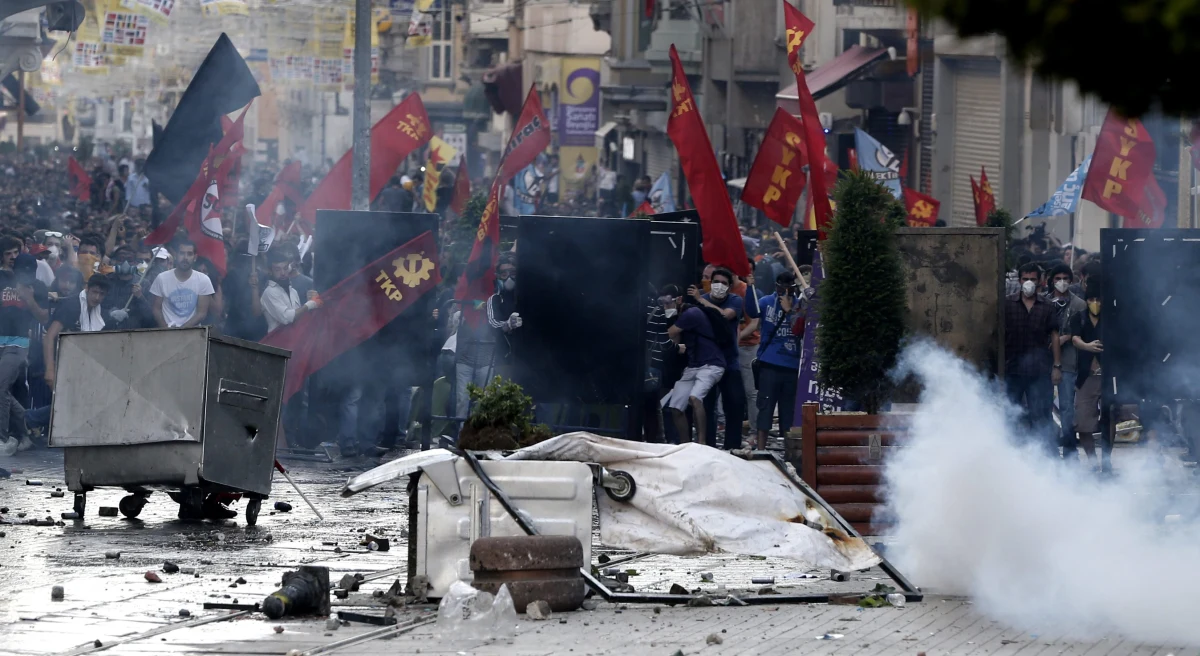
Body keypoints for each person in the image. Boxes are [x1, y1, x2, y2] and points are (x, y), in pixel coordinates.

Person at [1005, 262, 1063, 455]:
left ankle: (1047, 458)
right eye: (1025, 279)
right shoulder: (1008, 304)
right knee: (1010, 414)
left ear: (1040, 281)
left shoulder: (1047, 306)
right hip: (1012, 369)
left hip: (1039, 370)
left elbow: (1054, 336)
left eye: (1032, 279)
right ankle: (1009, 456)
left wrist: (1057, 366)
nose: (1028, 282)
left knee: (1041, 416)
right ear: (1019, 280)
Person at [454, 256, 521, 422]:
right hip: (497, 357)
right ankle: (465, 432)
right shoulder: (493, 300)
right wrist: (508, 325)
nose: (509, 277)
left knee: (524, 403)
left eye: (513, 273)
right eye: (504, 273)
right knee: (472, 400)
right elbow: (494, 324)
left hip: (525, 358)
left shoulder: (525, 298)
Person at [0, 243, 49, 453]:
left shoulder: (38, 287)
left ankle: (2, 438)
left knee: (1, 386)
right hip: (0, 341)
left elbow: (44, 318)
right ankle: (27, 424)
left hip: (19, 344)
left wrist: (29, 298)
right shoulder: (4, 280)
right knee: (5, 390)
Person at [663, 293, 726, 445]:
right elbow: (676, 341)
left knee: (695, 398)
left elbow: (668, 334)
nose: (665, 307)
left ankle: (701, 443)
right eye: (662, 304)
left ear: (679, 300)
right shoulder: (681, 316)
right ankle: (685, 444)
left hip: (711, 365)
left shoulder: (692, 313)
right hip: (693, 366)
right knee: (675, 407)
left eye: (667, 303)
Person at [695, 267, 746, 450]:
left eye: (724, 283)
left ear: (730, 287)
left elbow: (725, 315)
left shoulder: (735, 300)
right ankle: (707, 446)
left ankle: (732, 447)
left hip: (729, 362)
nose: (719, 286)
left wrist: (702, 301)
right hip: (707, 362)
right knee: (707, 406)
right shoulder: (700, 300)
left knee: (735, 404)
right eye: (716, 282)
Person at [754, 271, 805, 450]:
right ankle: (760, 449)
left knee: (788, 411)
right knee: (765, 406)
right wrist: (750, 286)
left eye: (789, 288)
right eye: (781, 288)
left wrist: (789, 311)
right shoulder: (766, 302)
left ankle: (788, 452)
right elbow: (751, 311)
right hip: (769, 364)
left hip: (792, 365)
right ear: (776, 287)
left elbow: (800, 330)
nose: (785, 291)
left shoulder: (801, 305)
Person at [1044, 263, 1086, 456]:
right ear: (1051, 281)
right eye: (1058, 278)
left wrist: (1067, 336)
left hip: (1069, 361)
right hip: (1045, 361)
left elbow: (1083, 331)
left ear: (1071, 280)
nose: (1062, 282)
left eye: (1065, 278)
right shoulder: (1043, 302)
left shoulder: (1079, 305)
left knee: (1067, 407)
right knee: (1044, 405)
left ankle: (1069, 449)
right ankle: (1048, 448)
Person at [1071, 282, 1111, 473]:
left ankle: (1107, 462)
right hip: (1086, 376)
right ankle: (1093, 462)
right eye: (1091, 299)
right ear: (1086, 301)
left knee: (1110, 420)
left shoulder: (1111, 319)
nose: (1095, 303)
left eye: (1098, 299)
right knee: (1083, 422)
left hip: (1108, 378)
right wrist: (1087, 346)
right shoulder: (1079, 318)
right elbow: (1075, 338)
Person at [43, 275, 109, 388]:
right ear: (87, 288)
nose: (97, 297)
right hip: (59, 363)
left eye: (101, 294)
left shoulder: (100, 312)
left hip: (81, 366)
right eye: (94, 292)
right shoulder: (71, 306)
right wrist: (50, 369)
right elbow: (49, 337)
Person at [149, 240, 215, 329]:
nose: (185, 257)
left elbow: (201, 313)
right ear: (176, 255)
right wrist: (165, 329)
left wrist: (181, 331)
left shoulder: (203, 280)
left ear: (195, 257)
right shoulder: (162, 278)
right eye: (182, 253)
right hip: (166, 332)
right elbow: (156, 309)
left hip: (193, 333)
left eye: (189, 254)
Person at [100, 245, 154, 329]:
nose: (125, 263)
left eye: (130, 260)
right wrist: (110, 313)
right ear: (114, 261)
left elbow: (150, 316)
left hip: (135, 332)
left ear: (136, 262)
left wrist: (140, 297)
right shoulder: (105, 282)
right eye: (121, 259)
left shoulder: (144, 284)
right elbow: (95, 309)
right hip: (108, 331)